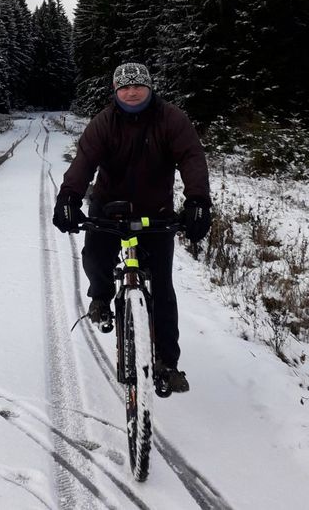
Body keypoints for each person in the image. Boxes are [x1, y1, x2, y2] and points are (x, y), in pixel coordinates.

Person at [53, 62, 212, 396]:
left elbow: (192, 157)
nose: (132, 91)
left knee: (163, 290)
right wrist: (69, 197)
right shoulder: (104, 123)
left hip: (156, 213)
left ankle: (167, 365)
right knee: (95, 255)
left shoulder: (171, 119)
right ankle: (100, 297)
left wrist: (198, 201)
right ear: (116, 92)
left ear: (149, 88)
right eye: (124, 87)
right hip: (109, 208)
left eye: (138, 85)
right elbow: (84, 161)